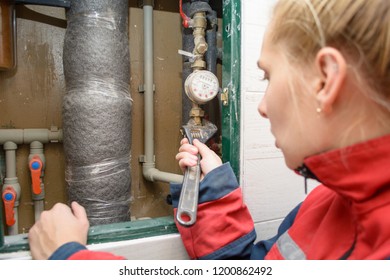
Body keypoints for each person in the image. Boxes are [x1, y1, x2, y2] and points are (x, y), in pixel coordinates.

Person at [28, 0, 390, 259]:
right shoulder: (328, 203)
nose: (261, 107)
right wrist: (216, 191)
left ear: (326, 80)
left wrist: (70, 260)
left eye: (269, 76)